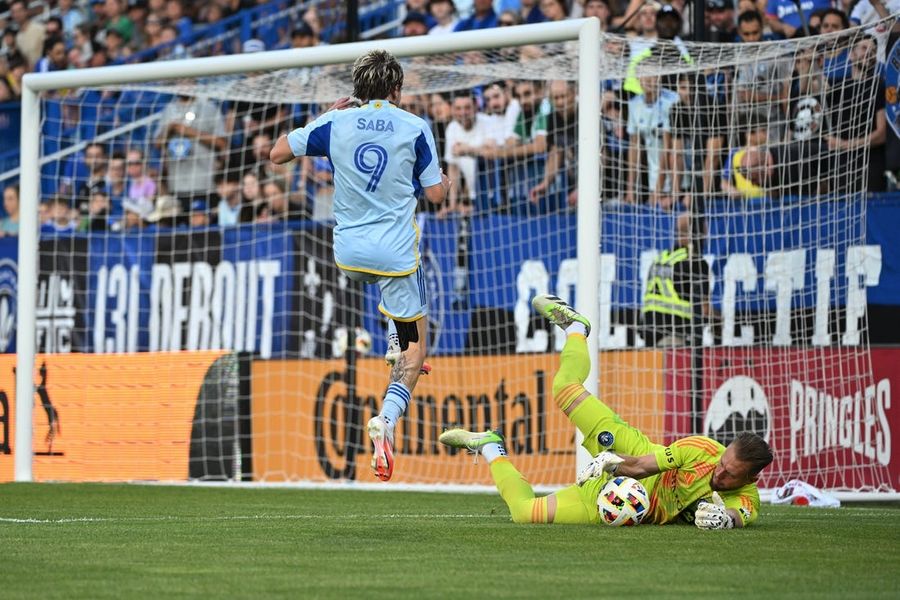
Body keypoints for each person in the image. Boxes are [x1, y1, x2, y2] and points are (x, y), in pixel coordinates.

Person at [270, 49, 451, 481]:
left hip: (348, 255)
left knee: (389, 293)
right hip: (394, 256)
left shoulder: (335, 123)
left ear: (355, 90)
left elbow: (277, 153)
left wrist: (322, 116)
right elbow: (438, 196)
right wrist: (447, 180)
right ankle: (387, 419)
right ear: (395, 90)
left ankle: (394, 341)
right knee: (416, 350)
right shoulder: (414, 126)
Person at [441, 294, 773, 528]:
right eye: (723, 463)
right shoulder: (701, 450)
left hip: (614, 504)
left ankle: (489, 446)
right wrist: (613, 461)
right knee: (564, 389)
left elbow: (739, 515)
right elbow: (643, 466)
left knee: (525, 514)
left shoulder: (746, 497)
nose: (720, 473)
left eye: (730, 474)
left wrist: (724, 522)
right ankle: (575, 329)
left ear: (751, 478)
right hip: (630, 453)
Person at [641, 212, 712, 347]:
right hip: (674, 332)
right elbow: (704, 309)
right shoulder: (695, 262)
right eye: (704, 233)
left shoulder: (661, 258)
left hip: (649, 331)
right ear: (695, 234)